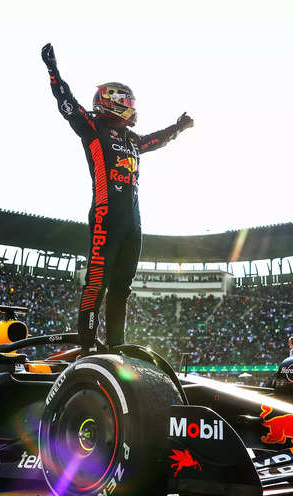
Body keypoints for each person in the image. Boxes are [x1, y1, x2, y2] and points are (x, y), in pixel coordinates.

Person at [41, 43, 193, 356]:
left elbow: (157, 139)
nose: (131, 106)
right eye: (126, 101)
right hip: (105, 216)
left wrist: (178, 128)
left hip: (133, 222)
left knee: (122, 287)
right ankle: (86, 343)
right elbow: (67, 103)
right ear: (111, 102)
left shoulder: (133, 140)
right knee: (97, 281)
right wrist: (54, 72)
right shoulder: (94, 128)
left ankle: (116, 346)